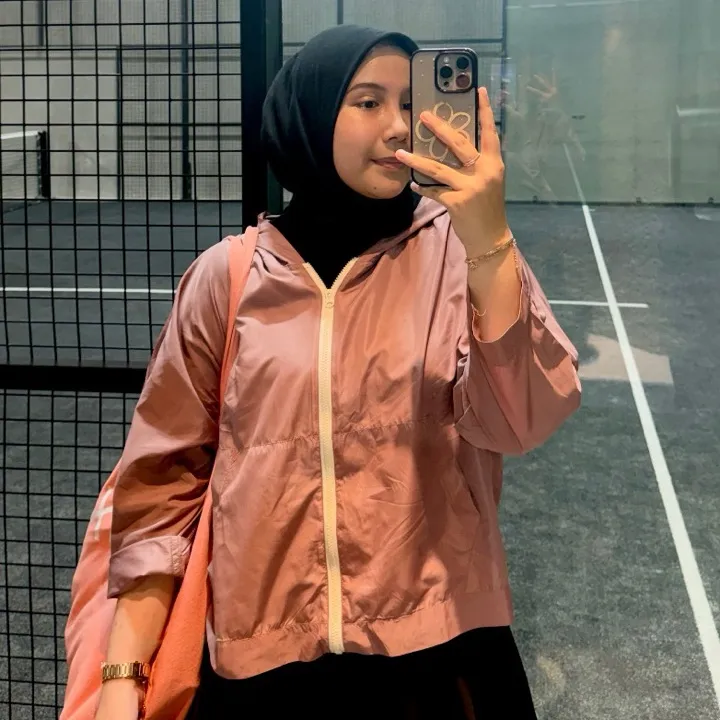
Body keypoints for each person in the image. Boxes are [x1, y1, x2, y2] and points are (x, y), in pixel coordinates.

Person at [95, 25, 580, 720]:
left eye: (408, 103)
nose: (399, 125)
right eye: (368, 101)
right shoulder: (227, 277)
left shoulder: (459, 258)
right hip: (264, 662)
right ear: (312, 114)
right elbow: (164, 484)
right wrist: (123, 673)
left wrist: (490, 243)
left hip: (438, 653)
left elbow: (521, 421)